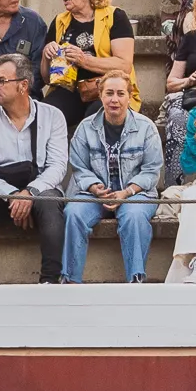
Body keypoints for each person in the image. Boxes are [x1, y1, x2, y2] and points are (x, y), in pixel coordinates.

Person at [0, 52, 69, 284]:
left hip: (40, 191)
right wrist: (12, 196)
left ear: (23, 85)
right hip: (1, 192)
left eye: (1, 81)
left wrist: (29, 194)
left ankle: (50, 281)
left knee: (50, 205)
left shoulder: (53, 116)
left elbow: (57, 167)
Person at [60, 70, 163, 284]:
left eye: (120, 93)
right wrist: (94, 187)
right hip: (96, 193)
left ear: (129, 96)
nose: (114, 99)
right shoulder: (85, 128)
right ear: (100, 96)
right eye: (109, 93)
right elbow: (79, 168)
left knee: (134, 217)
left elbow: (151, 171)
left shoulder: (146, 128)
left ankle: (135, 280)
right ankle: (70, 280)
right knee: (74, 212)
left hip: (136, 193)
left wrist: (126, 192)